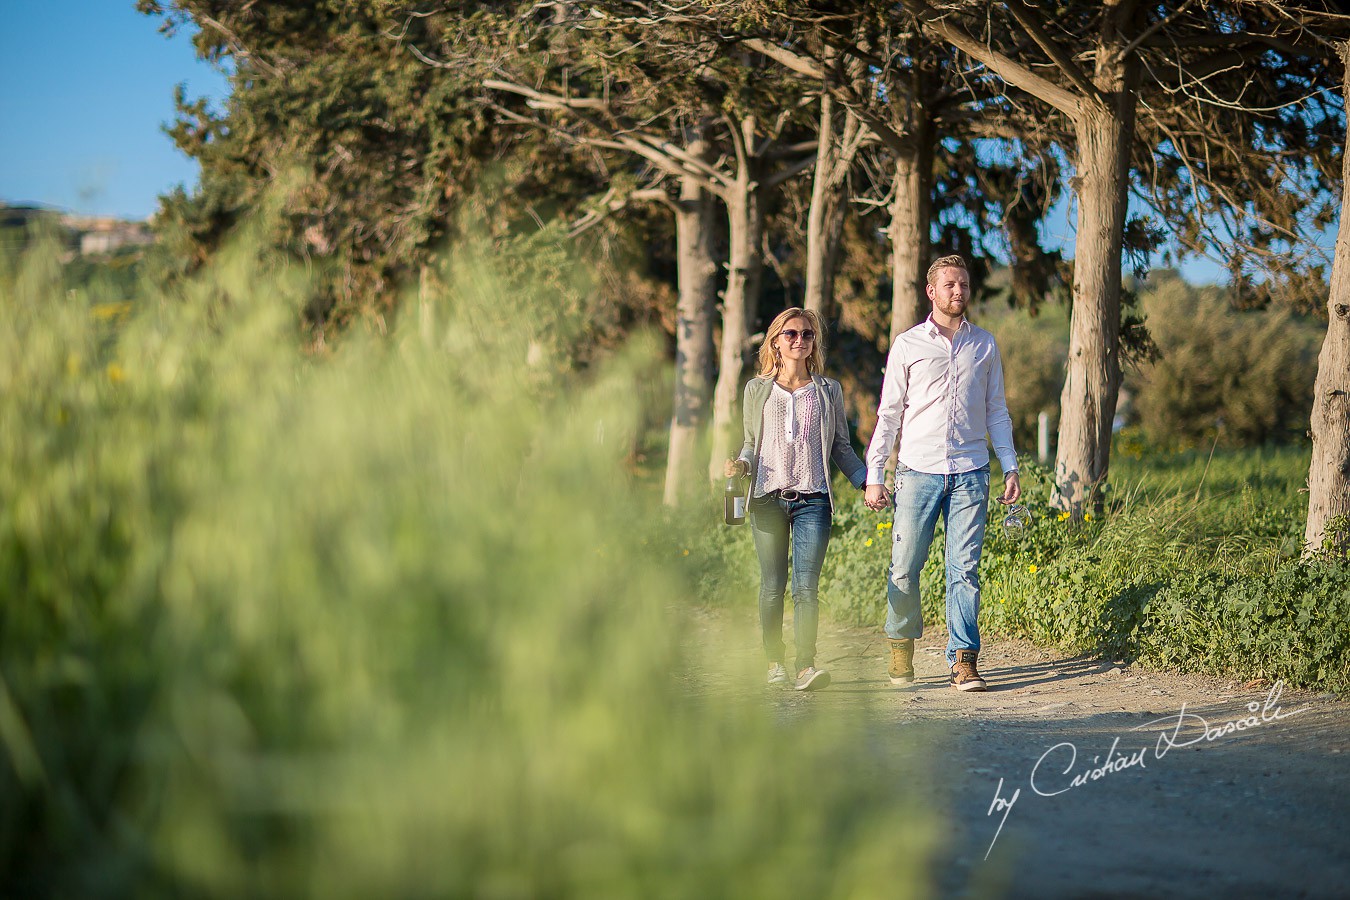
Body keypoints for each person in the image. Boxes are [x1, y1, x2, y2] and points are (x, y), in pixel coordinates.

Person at [863, 255, 1021, 692]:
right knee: (904, 567)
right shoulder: (908, 344)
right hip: (917, 472)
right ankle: (901, 651)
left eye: (964, 285)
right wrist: (875, 472)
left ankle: (964, 660)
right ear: (931, 291)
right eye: (950, 284)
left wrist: (1009, 465)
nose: (958, 291)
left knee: (964, 569)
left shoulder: (985, 344)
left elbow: (997, 411)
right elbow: (889, 414)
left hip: (971, 471)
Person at [726, 307, 867, 692]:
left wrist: (866, 482)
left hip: (814, 499)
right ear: (776, 341)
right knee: (773, 585)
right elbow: (751, 444)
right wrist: (740, 465)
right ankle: (774, 662)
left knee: (807, 587)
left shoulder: (827, 390)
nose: (800, 340)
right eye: (791, 334)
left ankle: (805, 666)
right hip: (767, 498)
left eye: (807, 334)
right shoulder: (757, 389)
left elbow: (841, 447)